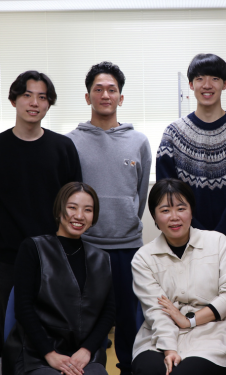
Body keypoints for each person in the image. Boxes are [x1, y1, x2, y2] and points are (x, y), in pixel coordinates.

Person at [156, 53, 226, 361]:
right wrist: (197, 234)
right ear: (190, 85)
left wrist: (218, 240)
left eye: (214, 78)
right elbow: (168, 190)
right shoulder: (174, 133)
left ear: (224, 84)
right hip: (185, 245)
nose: (207, 84)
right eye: (199, 78)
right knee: (188, 316)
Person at [0, 70, 82, 334]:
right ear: (14, 101)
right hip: (12, 258)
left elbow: (74, 200)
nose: (34, 103)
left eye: (42, 97)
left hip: (58, 256)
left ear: (48, 104)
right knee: (13, 333)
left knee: (59, 330)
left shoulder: (63, 147)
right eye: (27, 95)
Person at [66, 61, 151, 375]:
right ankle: (94, 369)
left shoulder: (138, 142)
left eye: (111, 89)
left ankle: (129, 368)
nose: (105, 95)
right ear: (87, 97)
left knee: (130, 317)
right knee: (88, 319)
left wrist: (126, 219)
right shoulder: (71, 142)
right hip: (84, 247)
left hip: (128, 246)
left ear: (121, 97)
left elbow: (140, 195)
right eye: (98, 89)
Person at [131, 178, 226, 375]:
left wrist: (189, 321)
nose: (174, 217)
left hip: (210, 334)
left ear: (191, 211)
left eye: (181, 208)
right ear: (154, 216)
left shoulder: (218, 243)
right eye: (165, 210)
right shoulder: (143, 258)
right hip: (158, 337)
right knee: (149, 369)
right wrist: (170, 349)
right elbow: (156, 311)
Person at [3, 182, 114, 375]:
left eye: (88, 210)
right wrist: (49, 353)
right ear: (59, 209)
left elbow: (108, 312)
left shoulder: (102, 259)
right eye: (72, 207)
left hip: (84, 355)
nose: (79, 216)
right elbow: (23, 308)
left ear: (93, 216)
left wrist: (87, 350)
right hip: (36, 353)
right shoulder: (33, 249)